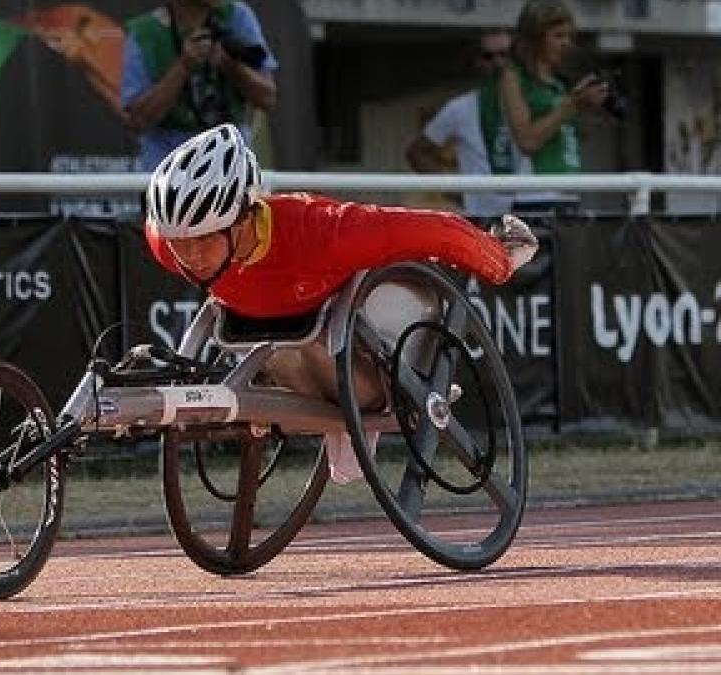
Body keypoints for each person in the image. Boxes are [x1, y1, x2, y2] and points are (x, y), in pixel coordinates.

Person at [144, 124, 537, 483]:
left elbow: (432, 232)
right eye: (179, 242)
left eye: (203, 239)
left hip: (353, 368)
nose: (190, 256)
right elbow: (172, 238)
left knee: (319, 338)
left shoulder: (324, 231)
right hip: (271, 356)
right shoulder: (166, 246)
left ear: (243, 219)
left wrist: (498, 259)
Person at [121, 0, 277, 172]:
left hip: (231, 168)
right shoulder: (144, 33)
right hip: (169, 171)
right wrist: (183, 67)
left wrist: (230, 66)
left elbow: (267, 98)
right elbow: (137, 121)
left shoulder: (236, 16)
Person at [499, 0, 608, 207]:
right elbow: (527, 141)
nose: (566, 44)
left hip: (569, 193)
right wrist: (571, 105)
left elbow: (578, 135)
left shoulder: (561, 81)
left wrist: (591, 108)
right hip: (535, 196)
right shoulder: (514, 76)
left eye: (569, 37)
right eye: (558, 36)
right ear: (535, 38)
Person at [405, 31, 518, 217]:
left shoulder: (536, 103)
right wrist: (455, 190)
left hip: (533, 209)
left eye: (506, 55)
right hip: (482, 217)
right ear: (478, 62)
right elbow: (416, 152)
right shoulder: (460, 108)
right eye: (488, 56)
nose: (498, 63)